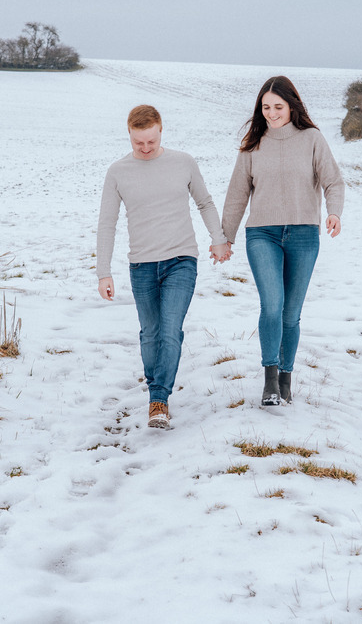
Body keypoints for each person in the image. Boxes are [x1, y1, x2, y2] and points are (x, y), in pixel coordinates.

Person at [97, 104, 231, 429]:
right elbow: (107, 222)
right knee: (150, 333)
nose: (145, 148)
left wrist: (218, 238)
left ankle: (159, 399)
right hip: (141, 265)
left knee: (170, 330)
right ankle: (157, 385)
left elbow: (205, 202)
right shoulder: (118, 172)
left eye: (151, 142)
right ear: (129, 135)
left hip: (181, 260)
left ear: (161, 131)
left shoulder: (183, 163)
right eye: (137, 143)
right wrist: (104, 271)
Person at [220, 76, 345, 407]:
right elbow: (237, 194)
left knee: (291, 313)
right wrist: (225, 237)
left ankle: (286, 378)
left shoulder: (312, 139)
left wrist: (334, 213)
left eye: (278, 107)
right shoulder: (253, 144)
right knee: (272, 305)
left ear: (292, 106)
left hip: (304, 234)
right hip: (262, 234)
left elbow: (333, 182)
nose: (272, 114)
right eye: (266, 107)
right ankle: (270, 381)